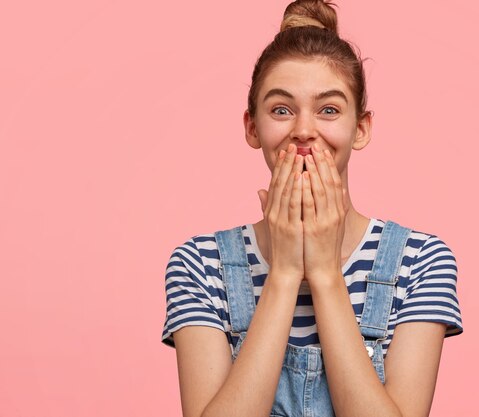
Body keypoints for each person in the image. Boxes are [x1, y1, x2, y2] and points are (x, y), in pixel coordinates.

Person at [161, 1, 463, 416]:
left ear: (360, 129)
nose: (304, 130)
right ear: (252, 127)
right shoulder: (198, 264)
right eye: (281, 110)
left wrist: (323, 273)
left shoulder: (423, 261)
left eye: (329, 110)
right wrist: (284, 273)